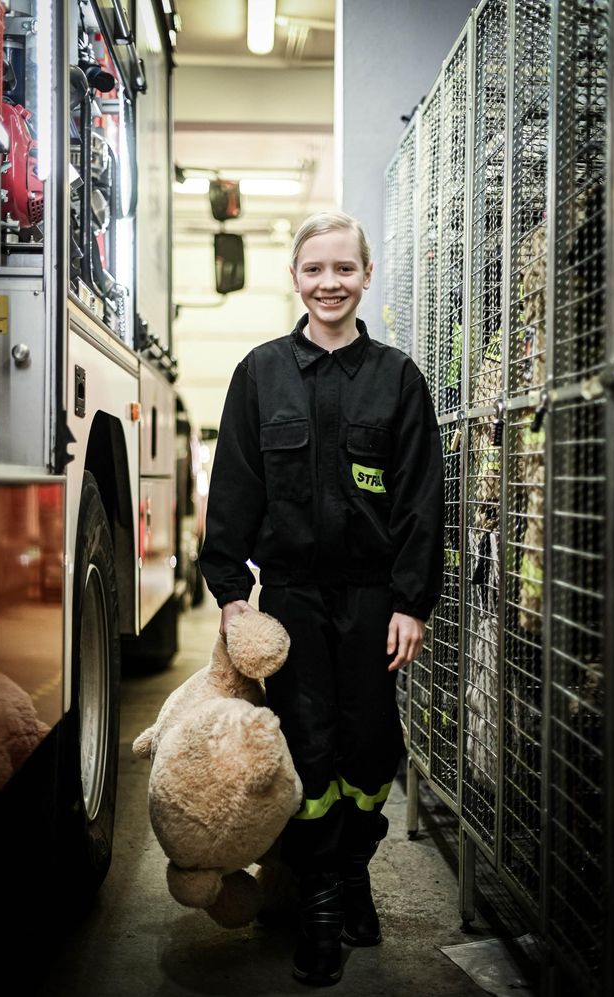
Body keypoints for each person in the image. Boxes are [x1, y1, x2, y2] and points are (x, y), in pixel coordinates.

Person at [200, 210, 444, 987]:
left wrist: (411, 601)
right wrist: (234, 596)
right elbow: (233, 489)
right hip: (295, 599)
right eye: (315, 269)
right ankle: (322, 906)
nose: (330, 282)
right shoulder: (260, 373)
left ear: (366, 276)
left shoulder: (398, 377)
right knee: (308, 745)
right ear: (296, 278)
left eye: (344, 268)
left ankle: (353, 867)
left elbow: (421, 499)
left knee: (370, 747)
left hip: (374, 599)